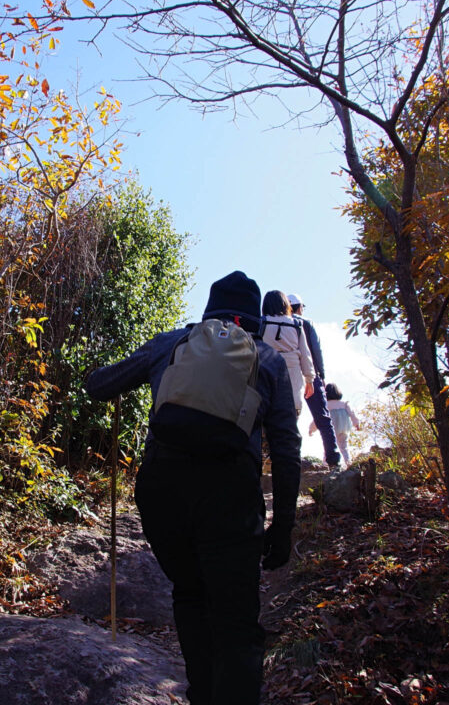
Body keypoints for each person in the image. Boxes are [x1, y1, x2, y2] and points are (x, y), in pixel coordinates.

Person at [85, 270, 301, 705]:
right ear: (252, 318)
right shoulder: (268, 359)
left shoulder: (172, 343)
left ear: (210, 311)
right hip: (231, 495)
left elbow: (99, 386)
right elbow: (286, 448)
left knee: (189, 593)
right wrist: (283, 526)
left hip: (163, 490)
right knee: (236, 621)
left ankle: (202, 695)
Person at [287, 293, 341, 468]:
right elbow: (316, 351)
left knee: (288, 416)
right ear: (299, 307)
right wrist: (321, 375)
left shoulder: (282, 323)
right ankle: (333, 458)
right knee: (322, 417)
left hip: (290, 375)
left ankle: (289, 458)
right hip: (311, 374)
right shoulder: (307, 323)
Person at [260, 290, 314, 416]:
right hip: (292, 375)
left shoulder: (261, 323)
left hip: (266, 372)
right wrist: (309, 379)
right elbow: (305, 354)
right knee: (291, 417)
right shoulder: (296, 325)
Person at [310, 382, 362, 468]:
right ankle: (348, 463)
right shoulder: (344, 404)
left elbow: (319, 417)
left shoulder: (325, 405)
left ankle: (325, 464)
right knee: (344, 447)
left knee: (328, 447)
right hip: (343, 428)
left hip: (330, 430)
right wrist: (356, 424)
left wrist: (311, 429)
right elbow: (352, 414)